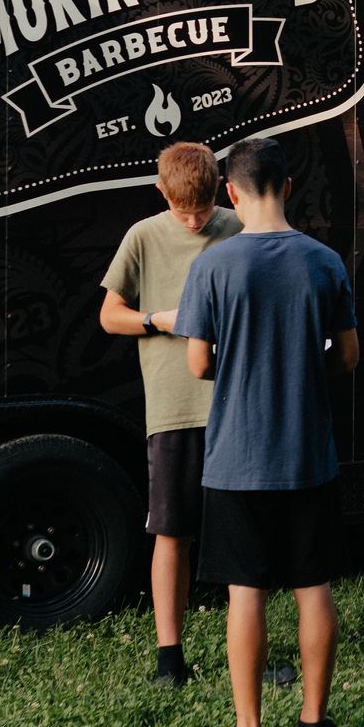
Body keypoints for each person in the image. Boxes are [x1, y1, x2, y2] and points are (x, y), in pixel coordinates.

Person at [175, 136, 359, 727]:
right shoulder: (324, 261)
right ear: (288, 186)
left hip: (237, 460)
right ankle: (314, 724)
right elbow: (350, 355)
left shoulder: (213, 267)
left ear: (230, 191)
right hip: (309, 454)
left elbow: (199, 363)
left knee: (244, 594)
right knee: (314, 587)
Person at [99, 141, 241, 687]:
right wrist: (160, 319)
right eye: (184, 212)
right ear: (162, 194)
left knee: (239, 530)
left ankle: (247, 643)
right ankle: (169, 655)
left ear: (220, 192)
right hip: (174, 407)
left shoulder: (238, 224)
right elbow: (110, 316)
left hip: (233, 402)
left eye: (203, 211)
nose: (194, 221)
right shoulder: (143, 235)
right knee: (172, 533)